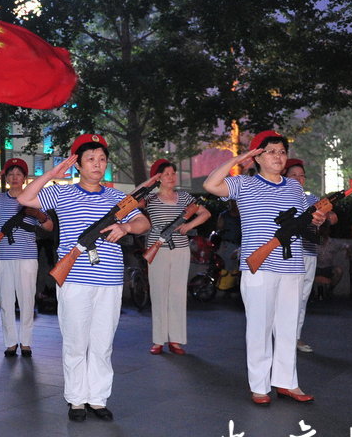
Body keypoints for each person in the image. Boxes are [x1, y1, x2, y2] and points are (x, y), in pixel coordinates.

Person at [18, 134, 152, 423]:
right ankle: (76, 400)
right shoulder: (62, 192)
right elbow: (25, 198)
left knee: (102, 343)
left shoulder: (118, 198)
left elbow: (144, 222)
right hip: (75, 278)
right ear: (77, 164)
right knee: (76, 342)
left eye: (102, 159)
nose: (97, 164)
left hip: (110, 281)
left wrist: (127, 227)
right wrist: (51, 174)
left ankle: (98, 399)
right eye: (90, 159)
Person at [203, 130, 325, 406]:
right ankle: (259, 386)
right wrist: (240, 157)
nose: (279, 157)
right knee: (259, 327)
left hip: (292, 265)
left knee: (287, 326)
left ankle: (286, 382)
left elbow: (305, 223)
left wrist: (315, 220)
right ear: (257, 156)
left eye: (282, 151)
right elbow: (212, 184)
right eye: (271, 151)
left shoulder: (294, 187)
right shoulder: (244, 184)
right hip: (259, 267)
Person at [0, 158, 53, 357]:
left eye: (18, 174)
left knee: (27, 301)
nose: (14, 178)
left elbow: (49, 228)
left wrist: (39, 215)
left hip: (28, 257)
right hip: (3, 257)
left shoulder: (34, 198)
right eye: (11, 174)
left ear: (25, 178)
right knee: (5, 301)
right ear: (6, 178)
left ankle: (26, 342)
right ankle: (10, 343)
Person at [143, 159, 211, 356]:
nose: (171, 177)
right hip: (157, 249)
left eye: (173, 173)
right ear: (158, 177)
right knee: (158, 294)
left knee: (178, 294)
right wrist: (148, 186)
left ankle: (176, 340)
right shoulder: (151, 199)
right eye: (166, 174)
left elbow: (205, 213)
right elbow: (130, 205)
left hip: (181, 249)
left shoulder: (184, 197)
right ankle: (158, 340)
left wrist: (188, 226)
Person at [282, 158, 337, 354]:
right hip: (286, 254)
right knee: (282, 298)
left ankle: (295, 337)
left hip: (308, 253)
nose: (298, 179)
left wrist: (327, 215)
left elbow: (330, 217)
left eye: (301, 175)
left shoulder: (312, 198)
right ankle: (279, 338)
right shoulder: (279, 196)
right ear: (285, 176)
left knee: (302, 298)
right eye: (293, 175)